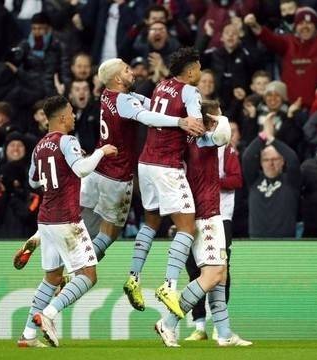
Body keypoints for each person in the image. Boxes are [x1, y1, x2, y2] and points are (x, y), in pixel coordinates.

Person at [80, 57, 203, 263]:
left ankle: (56, 251)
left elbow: (150, 104)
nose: (133, 72)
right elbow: (146, 116)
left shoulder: (106, 94)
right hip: (117, 174)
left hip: (99, 168)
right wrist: (180, 121)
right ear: (118, 78)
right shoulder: (125, 101)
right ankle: (81, 266)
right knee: (111, 232)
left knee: (74, 217)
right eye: (127, 70)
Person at [18, 95, 117, 347]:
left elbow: (32, 180)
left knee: (51, 278)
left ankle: (28, 335)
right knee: (88, 275)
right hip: (67, 221)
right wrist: (101, 152)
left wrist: (65, 166)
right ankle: (49, 314)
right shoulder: (67, 140)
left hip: (45, 220)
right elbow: (82, 170)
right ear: (62, 117)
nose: (74, 116)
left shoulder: (40, 146)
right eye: (71, 112)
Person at [156, 99, 250, 347]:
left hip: (208, 213)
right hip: (205, 214)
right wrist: (215, 116)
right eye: (217, 117)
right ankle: (168, 322)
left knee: (221, 272)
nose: (221, 120)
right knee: (212, 274)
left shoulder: (187, 141)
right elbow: (225, 133)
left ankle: (224, 333)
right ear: (208, 120)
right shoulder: (202, 140)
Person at [123, 47, 206, 318]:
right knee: (187, 227)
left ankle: (134, 277)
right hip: (167, 166)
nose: (201, 72)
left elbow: (156, 109)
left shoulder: (161, 86)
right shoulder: (191, 92)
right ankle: (170, 286)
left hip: (145, 163)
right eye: (199, 67)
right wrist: (203, 126)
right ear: (191, 69)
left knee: (152, 221)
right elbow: (196, 122)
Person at [242, 113, 301, 238]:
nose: (271, 163)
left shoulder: (291, 181)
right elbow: (247, 157)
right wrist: (263, 135)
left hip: (285, 239)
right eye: (266, 160)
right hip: (256, 238)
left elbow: (293, 159)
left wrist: (272, 139)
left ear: (282, 161)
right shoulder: (254, 180)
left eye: (275, 159)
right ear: (261, 163)